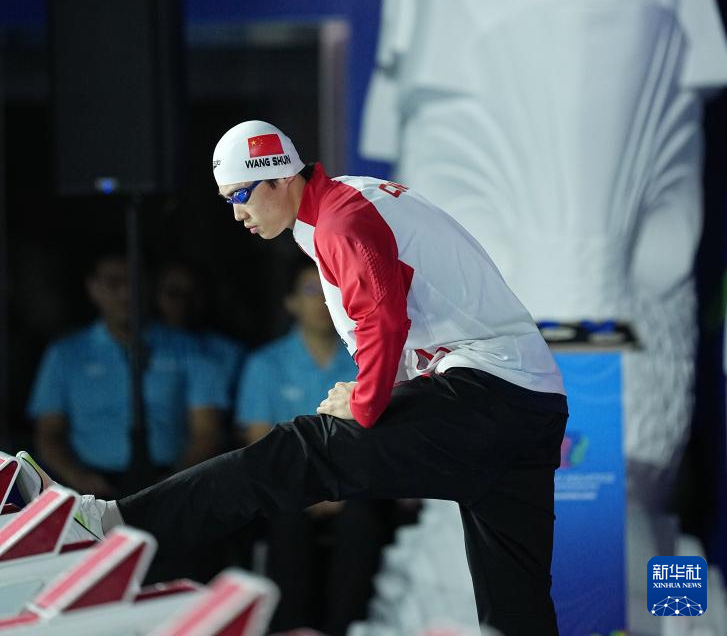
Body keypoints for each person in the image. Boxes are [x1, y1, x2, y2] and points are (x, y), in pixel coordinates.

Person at [18, 120, 568, 636]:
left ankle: (112, 521)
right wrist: (383, 394)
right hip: (530, 401)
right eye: (227, 200)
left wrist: (366, 403)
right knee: (514, 597)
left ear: (281, 177)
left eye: (241, 195)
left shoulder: (340, 219)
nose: (237, 213)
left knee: (302, 449)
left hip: (489, 393)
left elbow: (383, 319)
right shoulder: (345, 203)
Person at [236, 258, 394, 636]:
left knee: (362, 520)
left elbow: (378, 441)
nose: (324, 300)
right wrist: (307, 489)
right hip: (289, 486)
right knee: (286, 521)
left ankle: (347, 629)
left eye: (332, 289)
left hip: (352, 486)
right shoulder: (265, 364)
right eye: (312, 290)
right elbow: (260, 442)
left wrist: (338, 488)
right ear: (290, 302)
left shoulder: (367, 361)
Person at [26, 245, 229, 500]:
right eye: (113, 282)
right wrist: (78, 479)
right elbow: (48, 433)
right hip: (86, 490)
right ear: (93, 288)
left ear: (150, 285)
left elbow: (207, 432)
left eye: (135, 282)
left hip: (173, 487)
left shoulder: (191, 350)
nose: (126, 293)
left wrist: (172, 484)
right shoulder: (64, 354)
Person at [155, 257, 247, 409]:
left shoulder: (231, 352)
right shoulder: (142, 346)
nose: (183, 302)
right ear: (155, 296)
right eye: (173, 293)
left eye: (192, 293)